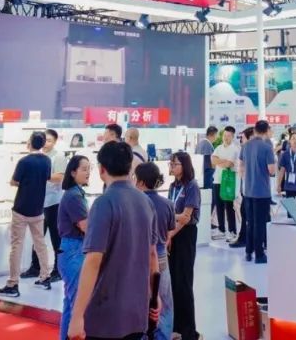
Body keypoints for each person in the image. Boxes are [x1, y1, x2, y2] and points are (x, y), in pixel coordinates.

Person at [66, 140, 159, 340]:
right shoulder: (146, 202)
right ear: (130, 167)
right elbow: (152, 254)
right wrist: (155, 295)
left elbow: (93, 260)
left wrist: (77, 315)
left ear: (102, 170)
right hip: (137, 311)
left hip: (105, 316)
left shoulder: (103, 203)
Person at [0, 131, 52, 297]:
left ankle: (13, 283)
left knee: (17, 245)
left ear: (30, 142)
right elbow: (46, 178)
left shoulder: (24, 161)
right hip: (38, 209)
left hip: (21, 208)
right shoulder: (47, 161)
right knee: (40, 244)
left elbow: (14, 181)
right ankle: (45, 277)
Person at [136, 162, 174, 340]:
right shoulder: (167, 204)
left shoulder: (136, 204)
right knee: (164, 301)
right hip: (161, 254)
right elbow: (168, 232)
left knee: (142, 299)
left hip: (141, 256)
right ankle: (163, 336)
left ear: (141, 182)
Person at [23, 129, 66, 283]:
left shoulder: (58, 156)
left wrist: (41, 176)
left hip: (54, 202)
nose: (46, 143)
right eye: (44, 140)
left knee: (56, 238)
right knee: (37, 236)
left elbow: (60, 177)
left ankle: (58, 270)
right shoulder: (39, 156)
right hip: (39, 201)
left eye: (49, 140)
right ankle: (35, 267)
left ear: (55, 141)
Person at [167, 152, 200, 340]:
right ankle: (176, 326)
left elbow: (186, 217)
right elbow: (171, 214)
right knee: (173, 282)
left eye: (175, 164)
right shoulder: (173, 186)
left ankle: (189, 331)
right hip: (173, 234)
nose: (172, 167)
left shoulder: (191, 186)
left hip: (185, 235)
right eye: (171, 164)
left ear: (184, 165)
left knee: (184, 282)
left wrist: (170, 234)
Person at [58, 155, 90, 340]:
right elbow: (85, 226)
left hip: (73, 250)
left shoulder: (76, 194)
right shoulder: (74, 196)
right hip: (74, 251)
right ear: (73, 172)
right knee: (76, 305)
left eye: (89, 169)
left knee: (71, 305)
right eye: (84, 169)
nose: (88, 172)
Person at [241, 120, 276, 263]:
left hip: (248, 190)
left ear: (255, 130)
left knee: (250, 222)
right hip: (262, 191)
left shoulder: (246, 146)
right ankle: (259, 254)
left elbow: (241, 166)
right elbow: (271, 170)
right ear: (266, 131)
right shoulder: (267, 147)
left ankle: (248, 252)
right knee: (260, 224)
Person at [211, 126, 238, 241]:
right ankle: (221, 230)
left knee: (229, 207)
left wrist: (220, 161)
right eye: (224, 135)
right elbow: (213, 161)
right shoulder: (218, 147)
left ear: (232, 136)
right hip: (217, 180)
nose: (225, 138)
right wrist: (223, 161)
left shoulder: (235, 149)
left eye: (228, 136)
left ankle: (232, 231)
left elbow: (229, 164)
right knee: (219, 206)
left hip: (228, 181)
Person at [229, 126, 253, 249]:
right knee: (245, 214)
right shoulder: (245, 150)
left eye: (243, 138)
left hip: (251, 191)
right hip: (246, 189)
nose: (241, 140)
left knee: (248, 215)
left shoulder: (249, 150)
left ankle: (246, 239)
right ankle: (244, 238)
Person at [198, 126, 217, 190]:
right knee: (208, 193)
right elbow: (212, 161)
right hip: (208, 174)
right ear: (214, 134)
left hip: (201, 174)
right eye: (216, 135)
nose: (216, 138)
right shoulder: (207, 144)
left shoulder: (200, 143)